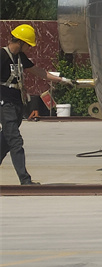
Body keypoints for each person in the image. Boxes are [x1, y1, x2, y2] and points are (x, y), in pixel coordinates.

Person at [2, 24, 72, 186]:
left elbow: (39, 71)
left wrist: (62, 80)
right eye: (28, 44)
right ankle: (25, 180)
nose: (29, 48)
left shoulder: (20, 57)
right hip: (4, 103)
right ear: (20, 42)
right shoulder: (2, 56)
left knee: (6, 139)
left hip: (17, 103)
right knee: (15, 140)